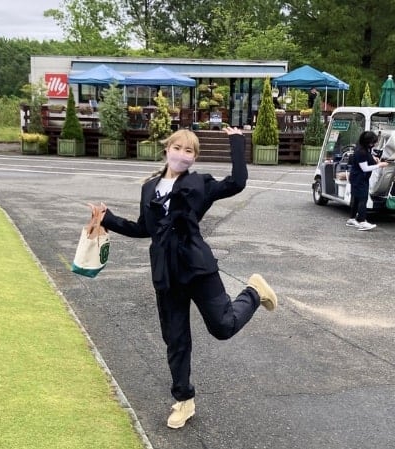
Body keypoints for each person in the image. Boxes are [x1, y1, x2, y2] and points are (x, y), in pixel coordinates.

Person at [87, 127, 277, 429]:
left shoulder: (200, 184)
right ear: (167, 149)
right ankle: (184, 400)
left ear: (194, 157)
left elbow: (237, 182)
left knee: (223, 327)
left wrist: (237, 142)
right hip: (166, 274)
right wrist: (107, 218)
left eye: (189, 151)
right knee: (175, 340)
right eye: (177, 148)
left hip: (198, 267)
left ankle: (254, 292)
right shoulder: (149, 188)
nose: (182, 154)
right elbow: (144, 228)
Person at [346, 131, 388, 230]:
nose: (375, 144)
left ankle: (352, 219)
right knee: (362, 199)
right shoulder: (361, 152)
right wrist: (379, 165)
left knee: (356, 198)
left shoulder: (362, 148)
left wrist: (373, 158)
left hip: (357, 177)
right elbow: (365, 168)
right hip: (359, 178)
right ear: (368, 142)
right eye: (373, 142)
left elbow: (367, 157)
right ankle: (362, 221)